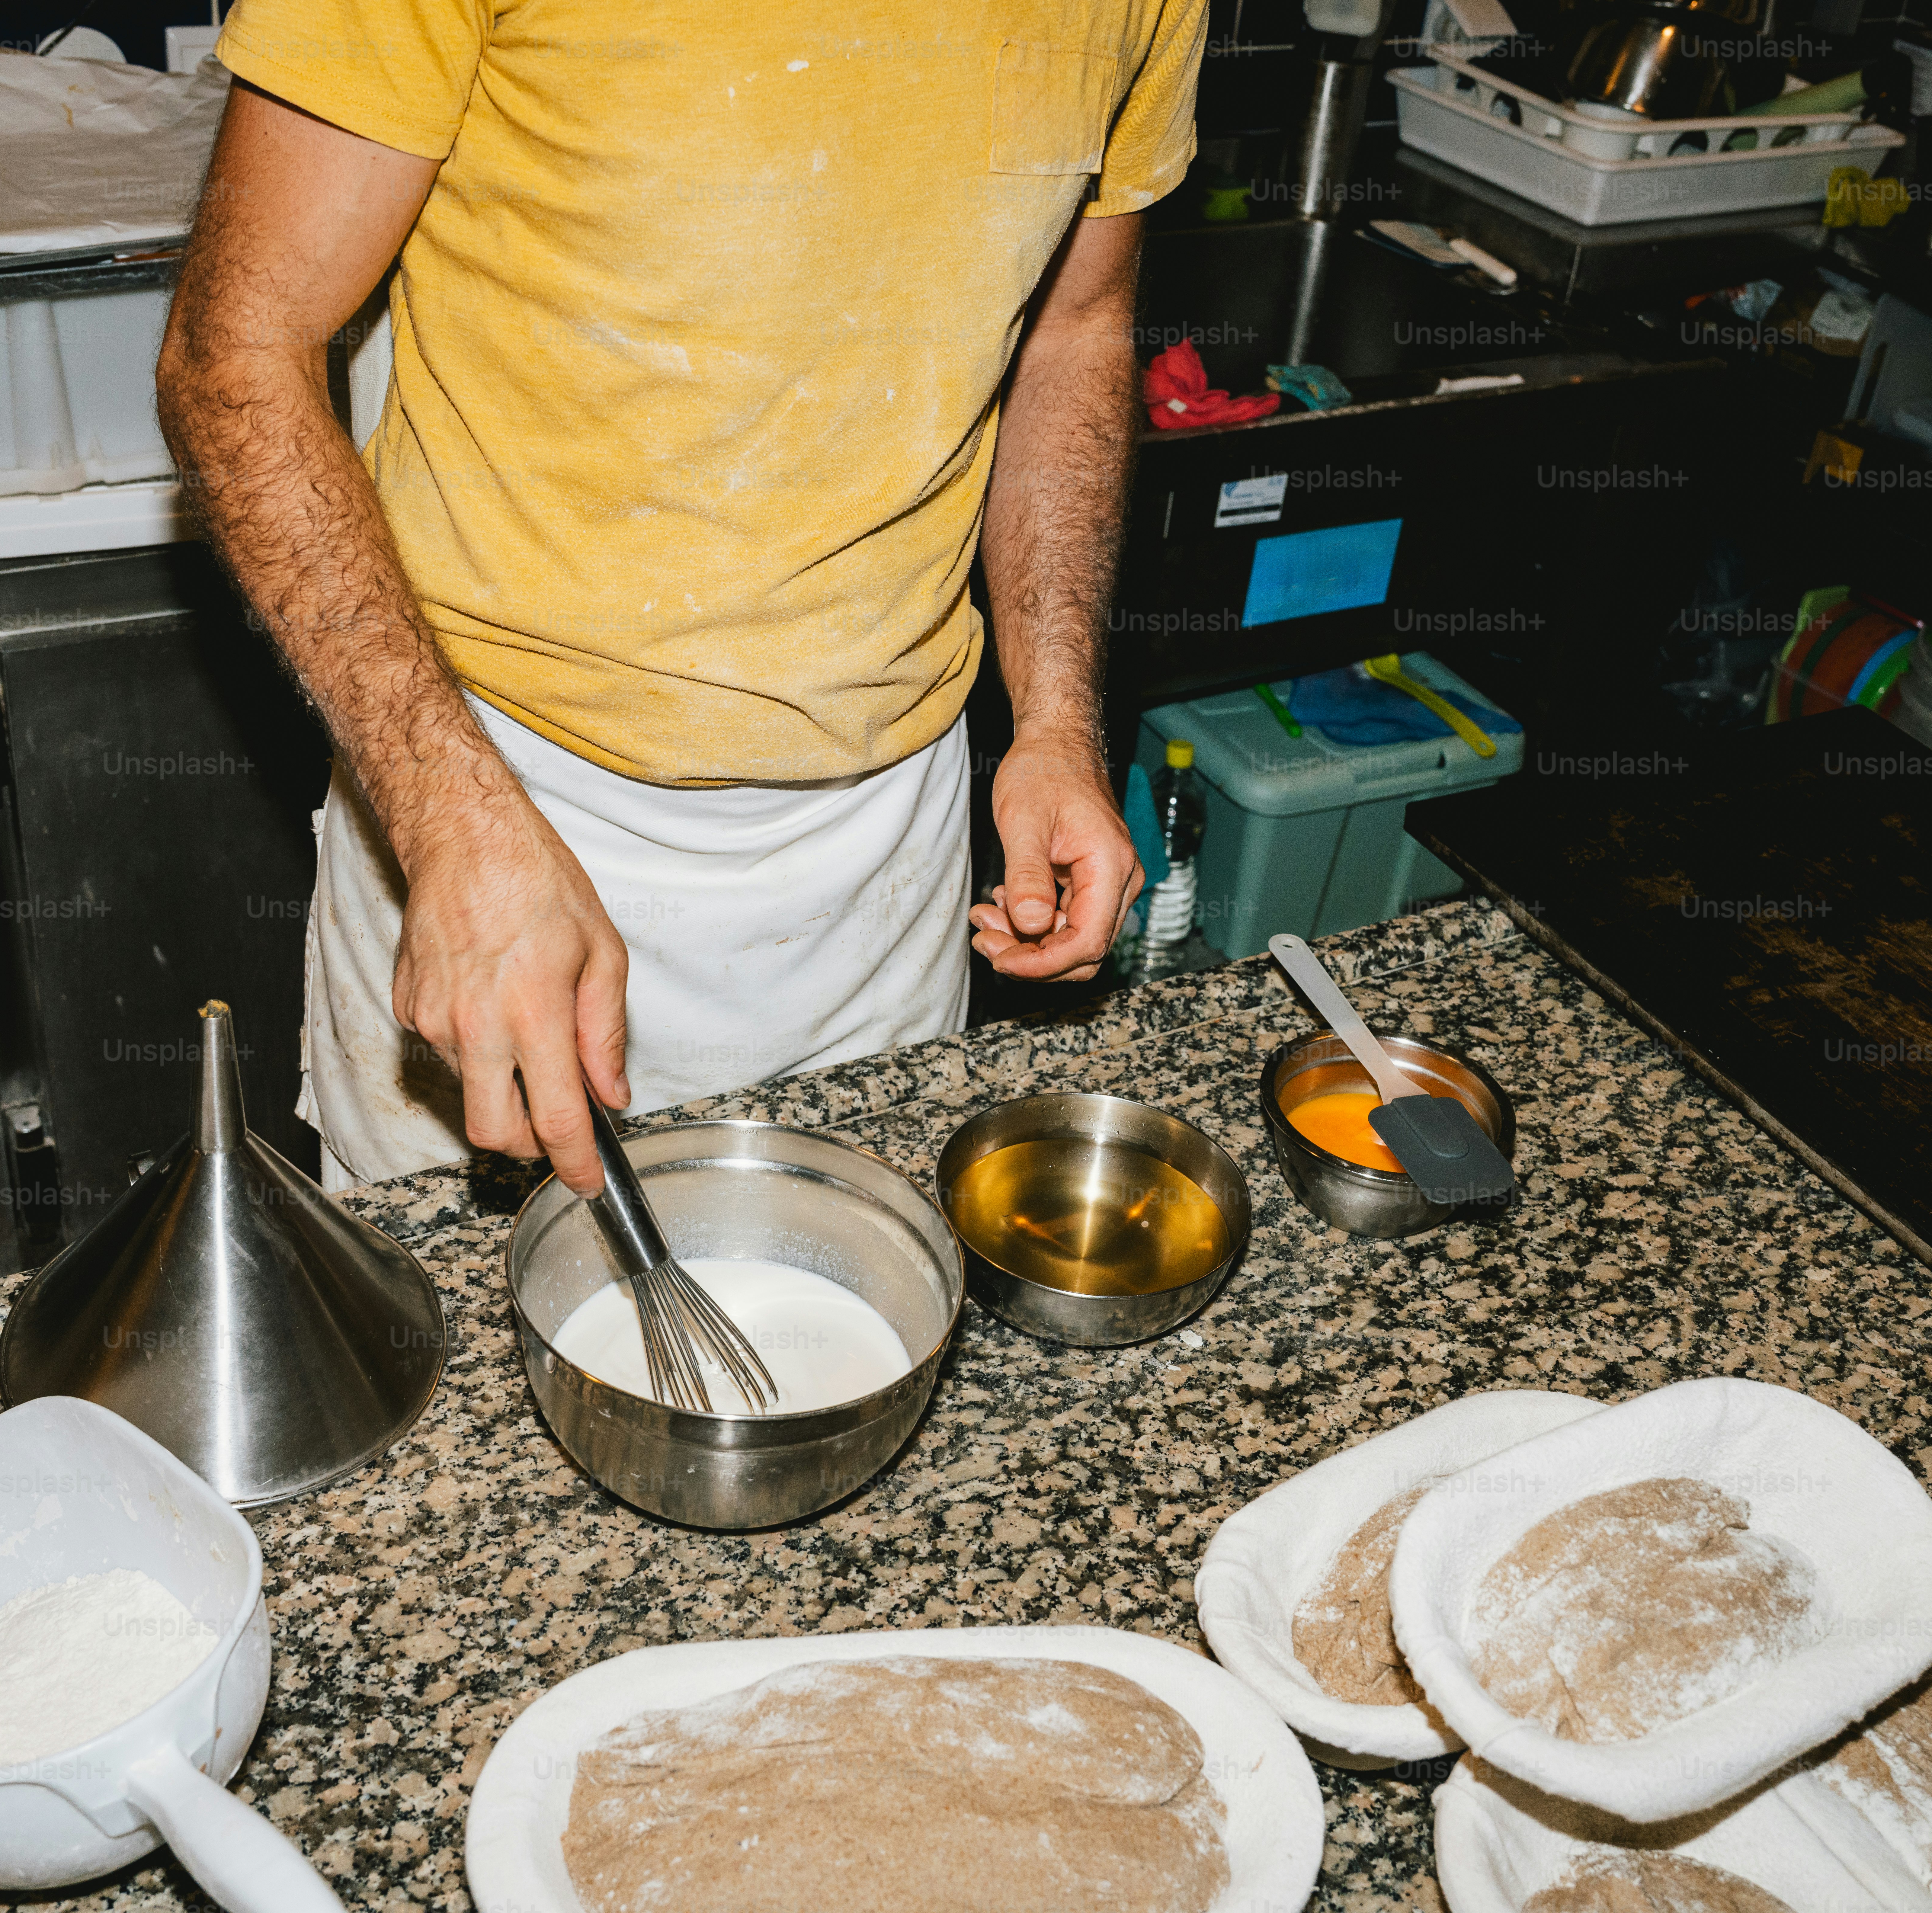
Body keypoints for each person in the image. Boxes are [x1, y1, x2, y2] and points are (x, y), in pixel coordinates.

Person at [157, 4, 1205, 1194]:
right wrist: (455, 822)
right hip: (496, 802)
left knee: (841, 1319)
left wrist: (1058, 722)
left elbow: (1075, 327)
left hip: (883, 860)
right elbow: (236, 347)